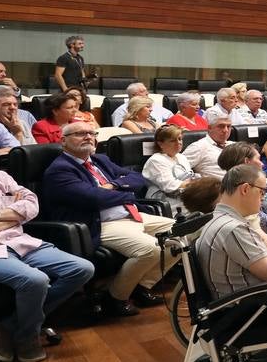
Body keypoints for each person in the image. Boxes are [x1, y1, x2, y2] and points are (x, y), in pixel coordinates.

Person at [0, 130, 94, 362]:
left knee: (82, 269)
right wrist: (12, 217)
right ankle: (27, 337)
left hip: (20, 242)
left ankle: (9, 325)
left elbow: (31, 205)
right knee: (35, 280)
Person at [41, 122, 175, 316]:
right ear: (63, 141)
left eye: (91, 133)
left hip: (130, 214)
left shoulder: (99, 159)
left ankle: (142, 286)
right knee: (151, 249)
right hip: (101, 223)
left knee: (182, 234)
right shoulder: (60, 170)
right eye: (80, 133)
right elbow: (93, 198)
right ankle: (115, 296)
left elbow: (138, 178)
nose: (88, 137)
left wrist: (112, 185)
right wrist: (126, 193)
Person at [195, 163, 267, 330]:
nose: (263, 198)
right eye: (261, 192)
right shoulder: (233, 229)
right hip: (252, 313)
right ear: (245, 189)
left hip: (252, 303)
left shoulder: (221, 220)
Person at [142, 125, 197, 214]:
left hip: (185, 198)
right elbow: (170, 186)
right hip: (166, 203)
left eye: (180, 139)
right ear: (160, 143)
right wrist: (195, 184)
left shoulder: (182, 157)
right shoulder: (155, 160)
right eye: (173, 140)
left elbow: (190, 178)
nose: (178, 143)